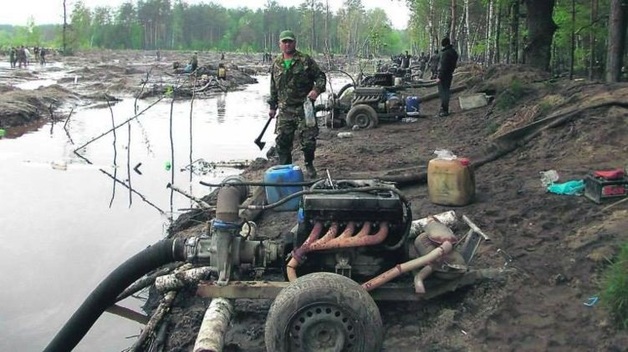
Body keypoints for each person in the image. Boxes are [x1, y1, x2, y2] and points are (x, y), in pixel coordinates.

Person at [267, 30, 327, 178]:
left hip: (304, 108)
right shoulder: (276, 63)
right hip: (285, 110)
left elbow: (320, 77)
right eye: (284, 42)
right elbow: (273, 87)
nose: (287, 44)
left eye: (290, 41)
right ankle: (285, 170)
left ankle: (309, 164)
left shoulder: (305, 60)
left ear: (295, 43)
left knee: (308, 141)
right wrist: (272, 106)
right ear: (280, 44)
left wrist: (316, 90)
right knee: (282, 142)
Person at [436, 37, 459, 117]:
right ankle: (445, 109)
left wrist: (439, 77)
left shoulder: (446, 53)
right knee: (446, 91)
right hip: (449, 74)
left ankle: (444, 110)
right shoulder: (454, 52)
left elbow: (443, 66)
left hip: (444, 75)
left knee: (443, 93)